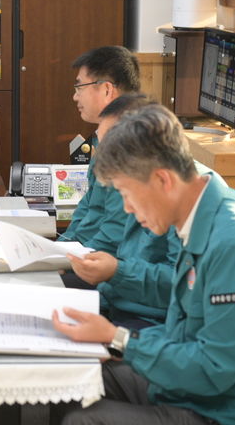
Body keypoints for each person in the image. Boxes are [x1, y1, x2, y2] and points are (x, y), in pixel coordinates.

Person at [52, 104, 235, 425]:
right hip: (183, 387)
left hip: (217, 408)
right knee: (69, 380)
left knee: (83, 420)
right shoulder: (195, 216)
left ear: (162, 180)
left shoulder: (231, 244)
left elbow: (215, 368)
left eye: (128, 194)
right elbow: (183, 329)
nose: (127, 208)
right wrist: (118, 342)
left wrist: (121, 339)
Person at [67, 94, 180, 329]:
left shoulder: (199, 216)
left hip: (150, 323)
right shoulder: (146, 187)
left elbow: (180, 288)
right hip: (120, 304)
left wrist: (116, 273)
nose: (126, 207)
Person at [57, 46, 140, 256]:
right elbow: (87, 209)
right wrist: (61, 249)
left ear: (106, 90)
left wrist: (69, 262)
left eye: (79, 88)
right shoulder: (105, 137)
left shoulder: (130, 147)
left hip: (106, 266)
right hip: (85, 255)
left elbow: (113, 233)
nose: (75, 97)